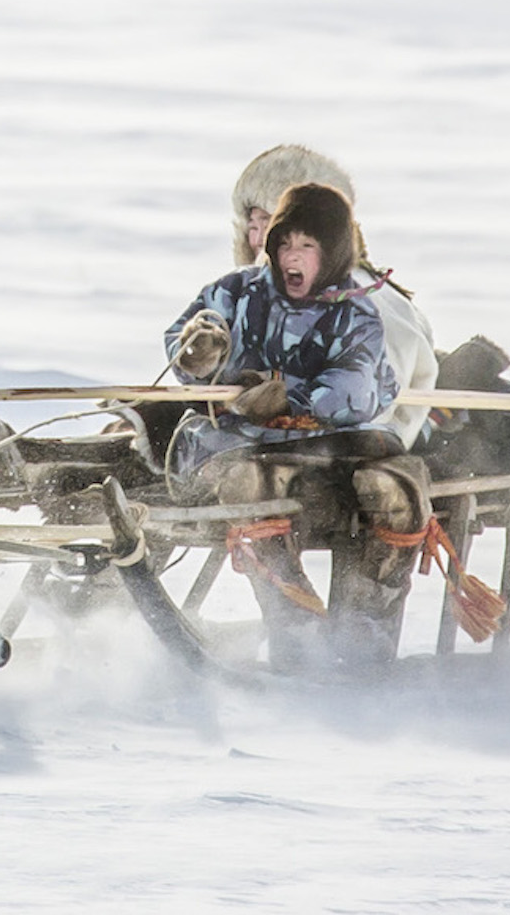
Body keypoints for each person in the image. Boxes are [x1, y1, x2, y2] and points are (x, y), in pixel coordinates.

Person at [164, 182, 431, 669]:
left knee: (393, 489)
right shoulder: (237, 292)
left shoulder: (356, 314)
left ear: (330, 254)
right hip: (241, 444)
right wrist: (198, 352)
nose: (293, 255)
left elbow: (358, 385)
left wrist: (291, 397)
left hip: (329, 451)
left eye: (307, 245)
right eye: (286, 242)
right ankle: (297, 631)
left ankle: (362, 644)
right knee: (248, 482)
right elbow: (188, 336)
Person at [230, 144, 438, 451]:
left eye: (269, 223)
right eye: (252, 225)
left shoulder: (356, 302)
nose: (258, 239)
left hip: (326, 448)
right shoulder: (390, 298)